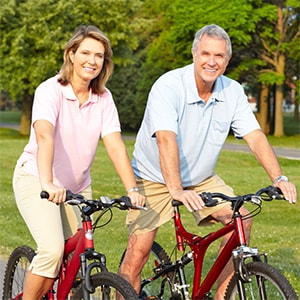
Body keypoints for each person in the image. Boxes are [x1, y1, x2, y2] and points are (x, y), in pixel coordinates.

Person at [119, 24, 297, 299]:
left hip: (201, 179)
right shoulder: (168, 86)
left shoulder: (233, 91)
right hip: (152, 178)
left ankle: (221, 295)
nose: (211, 62)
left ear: (227, 60)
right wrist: (176, 190)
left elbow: (255, 137)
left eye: (219, 56)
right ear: (193, 53)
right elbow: (166, 140)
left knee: (241, 220)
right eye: (205, 53)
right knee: (138, 254)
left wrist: (279, 178)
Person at [13, 25, 145, 299]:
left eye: (99, 55)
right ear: (71, 54)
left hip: (77, 187)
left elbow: (115, 145)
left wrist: (133, 190)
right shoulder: (50, 90)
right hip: (37, 178)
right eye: (85, 52)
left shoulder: (103, 98)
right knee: (52, 250)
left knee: (82, 251)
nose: (92, 61)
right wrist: (48, 182)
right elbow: (44, 136)